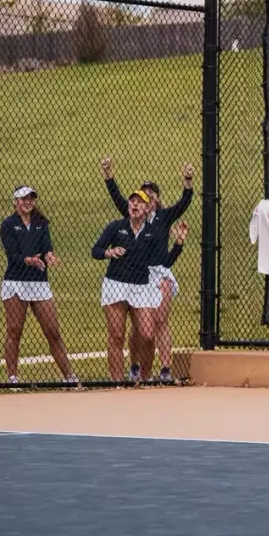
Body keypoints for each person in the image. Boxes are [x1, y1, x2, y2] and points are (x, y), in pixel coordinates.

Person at [100, 157, 194, 383]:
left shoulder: (163, 216)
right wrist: (108, 174)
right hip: (136, 273)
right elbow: (117, 197)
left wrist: (188, 180)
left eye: (152, 193)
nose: (148, 195)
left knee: (157, 321)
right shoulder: (132, 213)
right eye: (144, 192)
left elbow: (184, 202)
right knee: (136, 325)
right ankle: (133, 365)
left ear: (157, 198)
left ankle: (164, 368)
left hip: (158, 271)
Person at [92, 189, 175, 383]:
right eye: (132, 201)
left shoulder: (152, 232)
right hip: (116, 285)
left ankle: (144, 380)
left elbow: (165, 260)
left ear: (147, 208)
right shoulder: (116, 227)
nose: (135, 205)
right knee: (117, 335)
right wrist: (108, 253)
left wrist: (178, 243)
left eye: (140, 202)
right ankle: (118, 382)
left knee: (147, 335)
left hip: (141, 287)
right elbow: (95, 250)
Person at [0, 186, 77, 385]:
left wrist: (49, 256)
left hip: (39, 282)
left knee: (53, 331)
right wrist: (29, 260)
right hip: (16, 281)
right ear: (15, 201)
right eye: (24, 199)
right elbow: (12, 256)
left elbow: (46, 248)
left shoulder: (41, 223)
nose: (28, 202)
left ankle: (69, 376)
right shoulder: (8, 224)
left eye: (31, 199)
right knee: (15, 330)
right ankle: (12, 377)